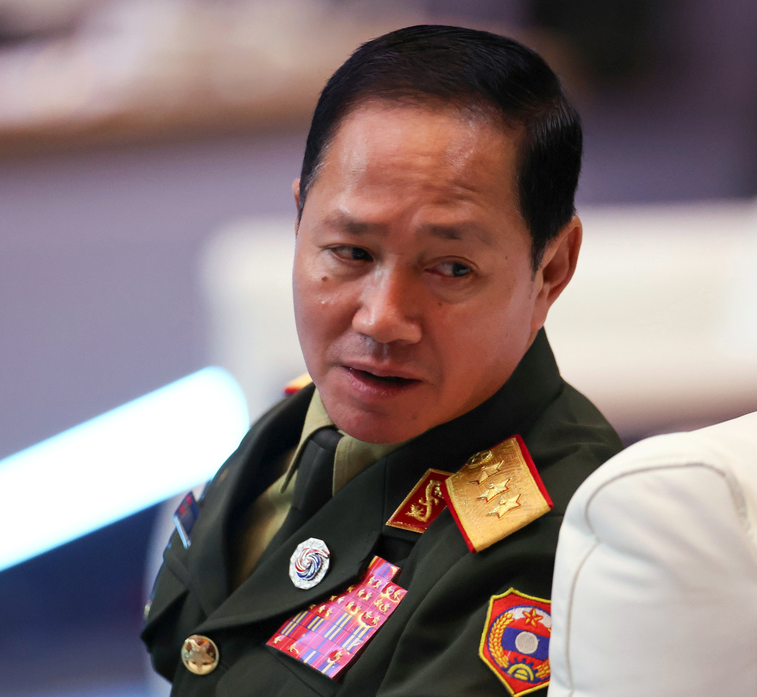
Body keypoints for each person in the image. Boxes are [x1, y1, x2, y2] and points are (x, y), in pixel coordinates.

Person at [142, 24, 621, 696]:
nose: (382, 318)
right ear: (301, 219)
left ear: (551, 269)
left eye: (451, 267)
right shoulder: (299, 429)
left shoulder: (556, 540)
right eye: (351, 252)